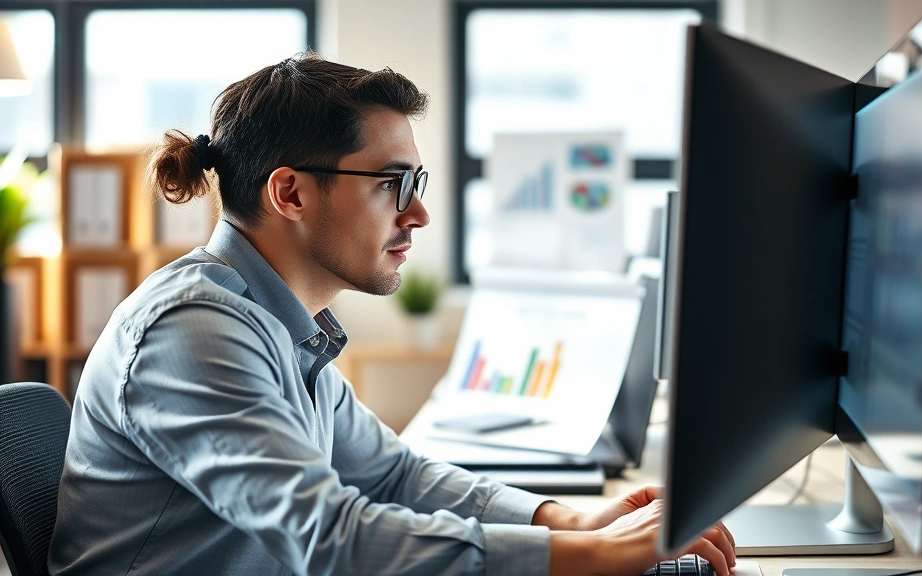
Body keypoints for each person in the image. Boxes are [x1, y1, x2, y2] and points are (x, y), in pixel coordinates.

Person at [48, 53, 735, 576]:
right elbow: (330, 538)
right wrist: (586, 556)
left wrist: (569, 519)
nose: (419, 214)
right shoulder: (195, 330)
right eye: (393, 184)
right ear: (290, 192)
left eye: (419, 184)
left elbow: (394, 476)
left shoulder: (284, 326)